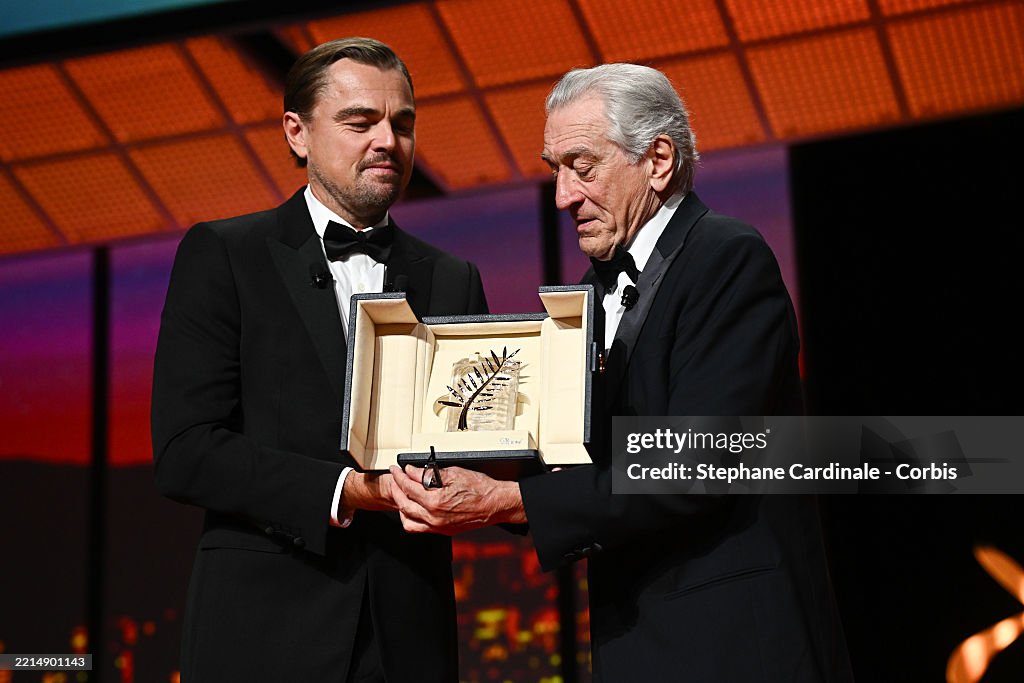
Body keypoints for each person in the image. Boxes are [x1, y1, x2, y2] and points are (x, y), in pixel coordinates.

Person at [390, 63, 853, 681]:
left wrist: (506, 500)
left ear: (657, 160)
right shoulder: (586, 297)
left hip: (734, 645)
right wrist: (466, 462)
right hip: (633, 644)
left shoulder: (726, 259)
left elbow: (695, 462)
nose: (563, 196)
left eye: (583, 166)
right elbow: (574, 464)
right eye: (555, 170)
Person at [151, 37, 486, 682]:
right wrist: (347, 490)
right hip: (261, 638)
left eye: (403, 123)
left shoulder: (453, 279)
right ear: (296, 133)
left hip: (407, 642)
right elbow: (186, 450)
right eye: (361, 122)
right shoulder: (224, 254)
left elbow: (475, 440)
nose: (388, 140)